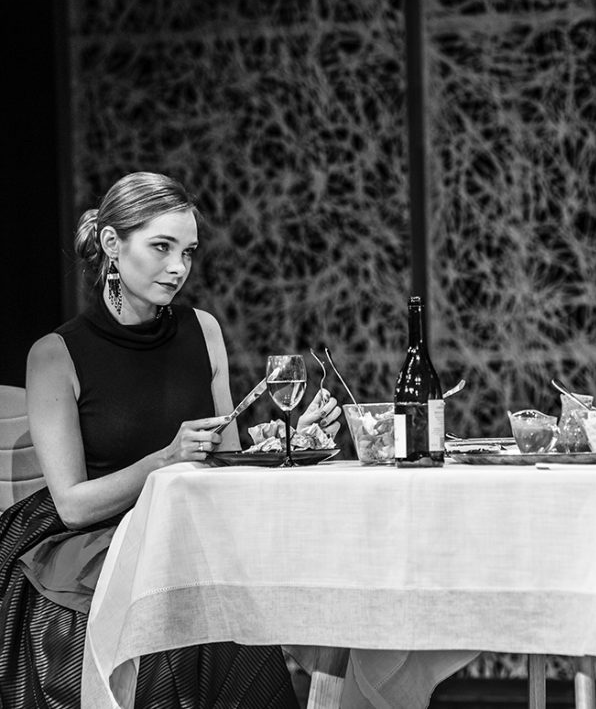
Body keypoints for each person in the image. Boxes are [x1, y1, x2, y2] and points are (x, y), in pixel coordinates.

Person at [0, 171, 341, 707]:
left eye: (188, 251)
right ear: (112, 244)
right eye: (161, 247)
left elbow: (224, 463)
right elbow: (72, 506)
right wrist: (163, 461)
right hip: (99, 543)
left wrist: (290, 443)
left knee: (252, 576)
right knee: (185, 593)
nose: (178, 267)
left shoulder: (202, 329)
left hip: (189, 530)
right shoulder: (55, 355)